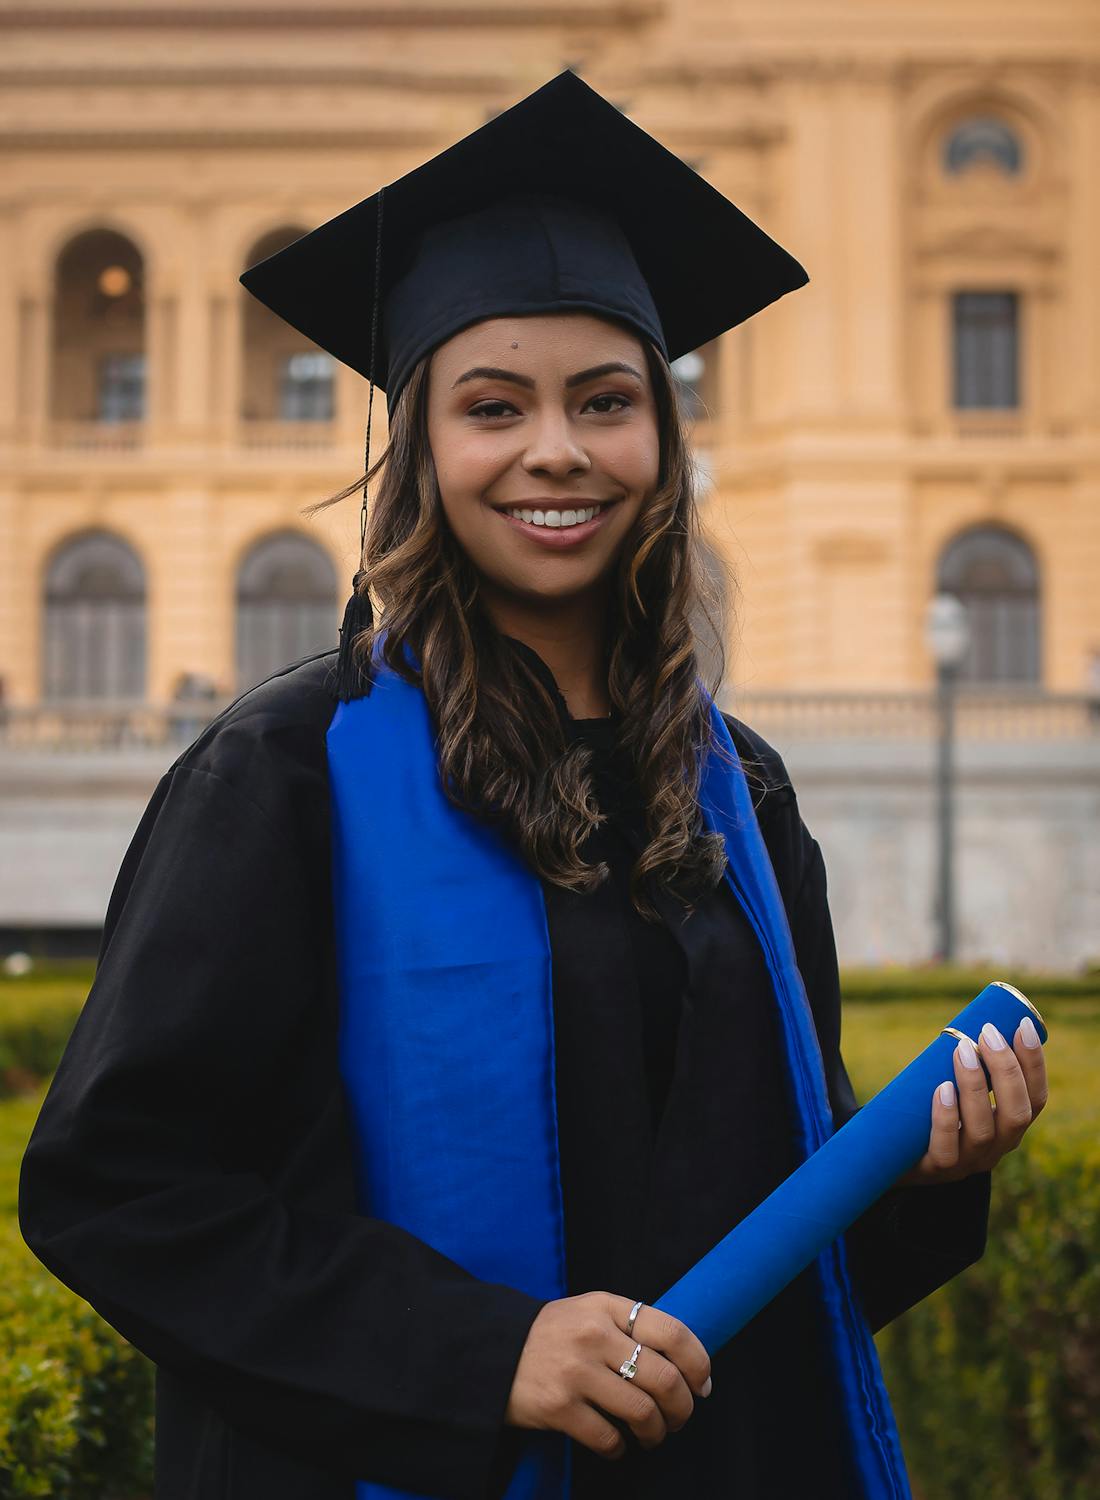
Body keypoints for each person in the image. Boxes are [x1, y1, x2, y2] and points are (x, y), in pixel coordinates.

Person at [18, 70, 1048, 1500]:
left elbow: (773, 1254)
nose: (555, 449)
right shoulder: (290, 771)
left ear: (662, 443)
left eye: (606, 401)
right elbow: (117, 1189)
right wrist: (479, 1353)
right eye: (493, 405)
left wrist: (929, 1183)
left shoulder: (739, 790)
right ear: (422, 453)